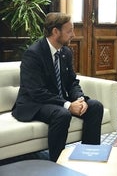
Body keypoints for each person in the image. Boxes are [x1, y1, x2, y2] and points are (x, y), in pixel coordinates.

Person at [12, 12, 104, 161]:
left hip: (57, 101)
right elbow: (37, 92)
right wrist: (68, 105)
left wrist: (79, 99)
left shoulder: (65, 52)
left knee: (95, 106)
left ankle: (89, 157)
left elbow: (72, 82)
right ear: (56, 31)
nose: (73, 35)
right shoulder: (33, 54)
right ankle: (57, 162)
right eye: (69, 31)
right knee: (62, 114)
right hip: (34, 103)